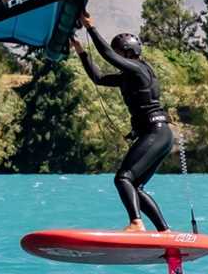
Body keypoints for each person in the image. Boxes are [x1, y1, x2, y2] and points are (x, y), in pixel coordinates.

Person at [70, 12, 173, 232]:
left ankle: (136, 223)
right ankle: (165, 232)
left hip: (155, 132)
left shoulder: (139, 70)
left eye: (120, 54)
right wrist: (80, 50)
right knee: (135, 186)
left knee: (123, 178)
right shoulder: (130, 76)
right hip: (159, 133)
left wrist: (91, 28)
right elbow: (98, 78)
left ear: (128, 53)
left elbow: (107, 54)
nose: (118, 59)